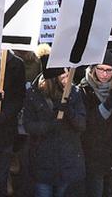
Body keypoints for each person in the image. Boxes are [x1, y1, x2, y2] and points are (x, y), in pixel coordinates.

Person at [23, 67, 86, 197]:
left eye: (68, 75)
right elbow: (28, 126)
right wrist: (50, 126)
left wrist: (69, 111)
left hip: (66, 162)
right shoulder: (33, 95)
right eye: (63, 77)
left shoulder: (75, 92)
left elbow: (81, 124)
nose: (67, 80)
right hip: (43, 163)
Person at [76, 50, 112, 197]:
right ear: (94, 69)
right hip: (95, 153)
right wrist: (107, 105)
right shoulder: (83, 89)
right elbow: (90, 122)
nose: (105, 74)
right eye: (101, 69)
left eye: (109, 70)